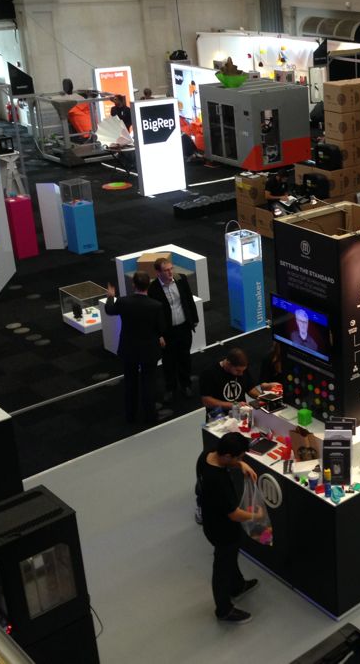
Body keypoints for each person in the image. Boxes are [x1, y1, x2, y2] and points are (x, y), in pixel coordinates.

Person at [196, 432, 260, 624]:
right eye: (239, 458)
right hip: (222, 529)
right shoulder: (218, 481)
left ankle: (237, 585)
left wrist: (241, 464)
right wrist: (256, 516)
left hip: (211, 519)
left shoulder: (207, 455)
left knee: (230, 557)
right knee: (222, 567)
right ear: (227, 456)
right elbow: (234, 514)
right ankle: (223, 609)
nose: (240, 461)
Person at [104, 271, 165, 423]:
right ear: (148, 285)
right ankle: (150, 415)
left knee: (130, 382)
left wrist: (111, 296)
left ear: (133, 285)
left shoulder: (123, 302)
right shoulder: (156, 305)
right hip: (149, 350)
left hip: (129, 348)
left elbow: (109, 310)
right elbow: (161, 328)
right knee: (148, 383)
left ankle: (130, 415)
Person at [148, 257, 199, 403]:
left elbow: (188, 299)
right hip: (167, 332)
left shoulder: (181, 279)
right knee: (168, 361)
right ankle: (170, 388)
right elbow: (153, 315)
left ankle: (186, 385)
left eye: (171, 268)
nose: (170, 272)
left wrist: (194, 319)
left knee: (185, 357)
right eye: (166, 270)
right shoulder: (153, 288)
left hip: (184, 327)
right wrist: (159, 335)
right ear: (158, 272)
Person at [199, 348, 265, 419]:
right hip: (220, 418)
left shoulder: (242, 369)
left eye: (243, 371)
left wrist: (262, 397)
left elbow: (250, 388)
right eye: (238, 370)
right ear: (228, 364)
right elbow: (207, 401)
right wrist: (233, 405)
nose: (241, 374)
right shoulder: (209, 374)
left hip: (241, 414)